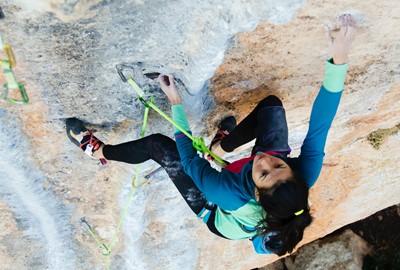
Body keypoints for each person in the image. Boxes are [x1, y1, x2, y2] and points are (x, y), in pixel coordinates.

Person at [66, 14, 356, 255]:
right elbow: (322, 123)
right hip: (258, 192)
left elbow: (191, 163)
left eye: (266, 173)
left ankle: (99, 152)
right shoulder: (304, 175)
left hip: (213, 212)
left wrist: (176, 101)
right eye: (280, 165)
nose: (267, 160)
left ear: (256, 192)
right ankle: (219, 148)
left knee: (159, 146)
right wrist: (339, 59)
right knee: (271, 107)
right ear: (293, 173)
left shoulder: (227, 195)